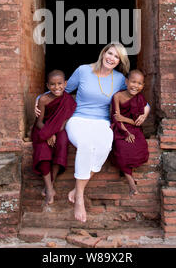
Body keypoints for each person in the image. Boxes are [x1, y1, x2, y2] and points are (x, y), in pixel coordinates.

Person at [63, 42, 131, 223]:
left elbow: (133, 95)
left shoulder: (119, 79)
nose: (112, 58)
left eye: (117, 57)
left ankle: (77, 188)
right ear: (103, 53)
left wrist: (146, 108)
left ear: (120, 61)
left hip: (102, 121)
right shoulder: (83, 70)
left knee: (105, 145)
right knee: (85, 144)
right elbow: (63, 91)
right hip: (78, 119)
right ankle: (79, 198)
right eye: (110, 53)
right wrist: (40, 100)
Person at [31, 69, 77, 205]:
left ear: (65, 83)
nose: (57, 87)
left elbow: (62, 124)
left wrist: (53, 133)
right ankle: (50, 190)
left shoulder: (68, 100)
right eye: (52, 84)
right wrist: (48, 133)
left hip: (58, 129)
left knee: (62, 143)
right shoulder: (44, 99)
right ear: (47, 86)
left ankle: (51, 182)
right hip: (43, 129)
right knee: (42, 148)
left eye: (59, 84)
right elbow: (39, 122)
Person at [111, 69, 150, 195]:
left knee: (140, 148)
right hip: (120, 128)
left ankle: (128, 175)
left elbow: (137, 122)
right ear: (127, 82)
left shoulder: (140, 98)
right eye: (133, 82)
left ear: (143, 86)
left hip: (135, 129)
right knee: (121, 149)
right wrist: (125, 132)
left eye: (139, 83)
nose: (136, 86)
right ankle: (130, 180)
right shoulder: (117, 96)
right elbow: (116, 118)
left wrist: (125, 119)